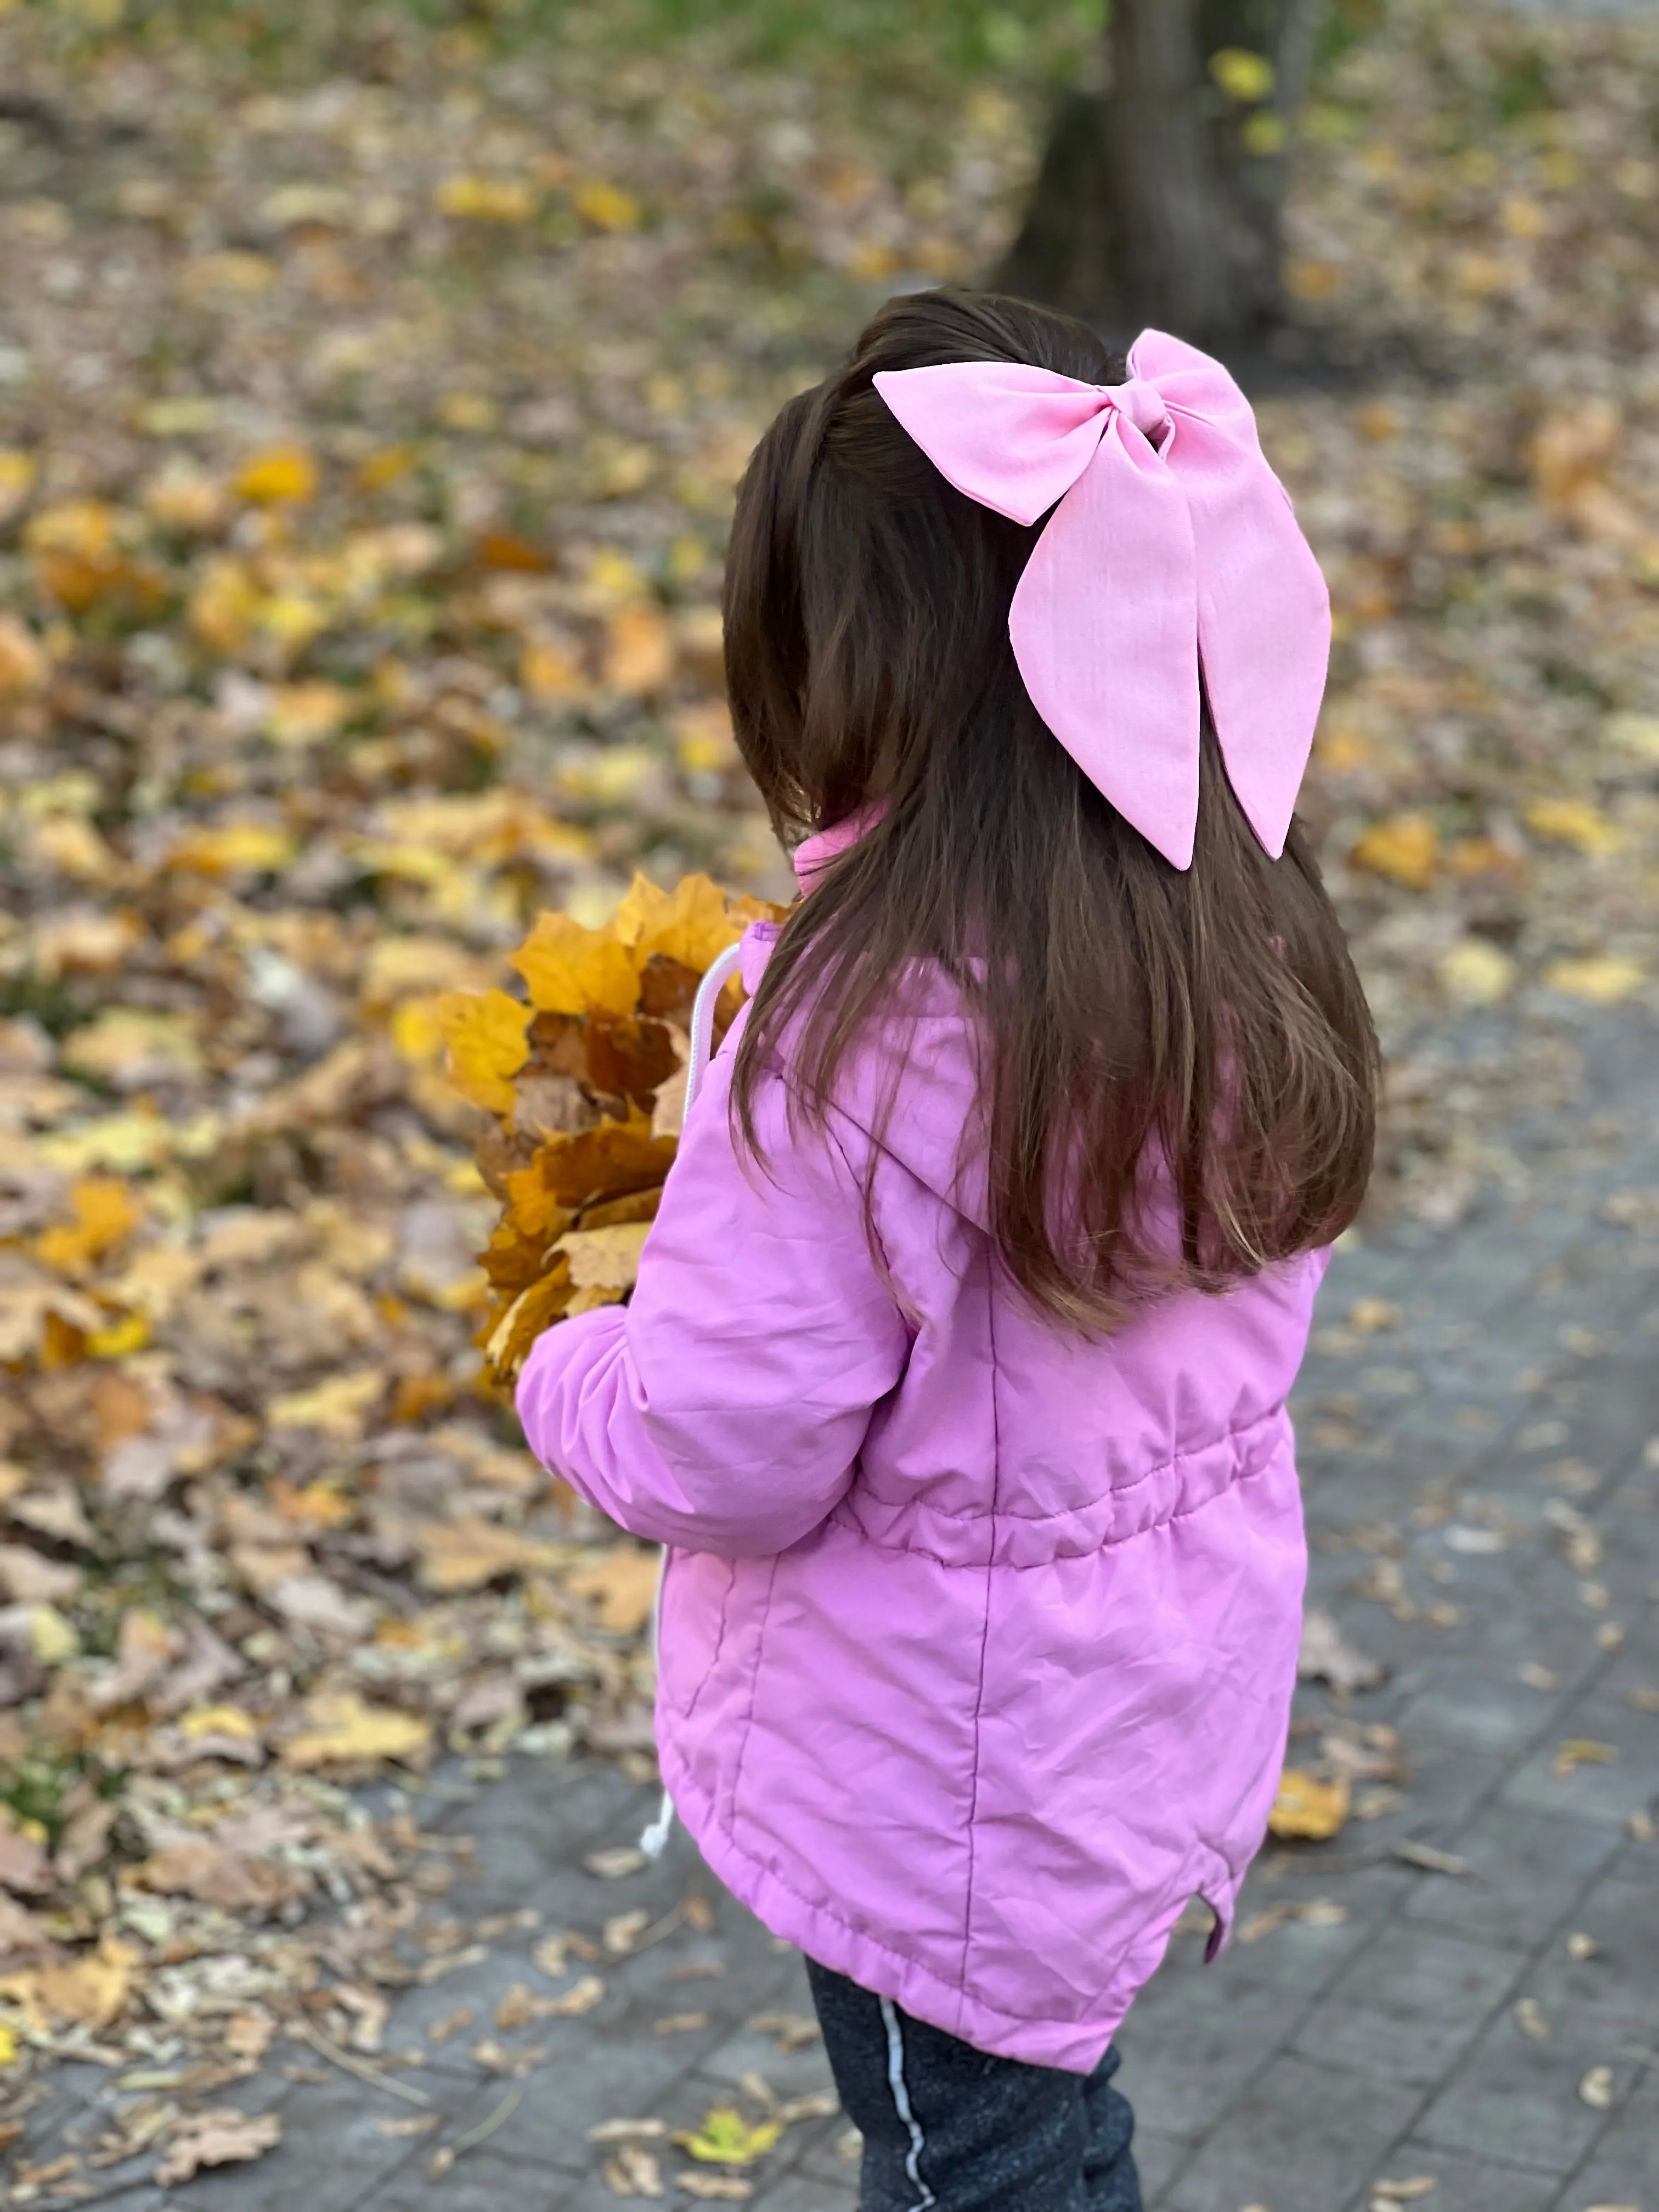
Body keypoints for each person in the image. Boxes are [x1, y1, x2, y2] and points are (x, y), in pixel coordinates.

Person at [516, 288, 1378, 2211]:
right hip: (1143, 1711)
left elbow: (726, 1449)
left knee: (973, 2165)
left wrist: (567, 1365)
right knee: (1037, 2139)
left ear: (848, 675)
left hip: (930, 1788)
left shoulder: (846, 1024)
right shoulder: (1237, 938)